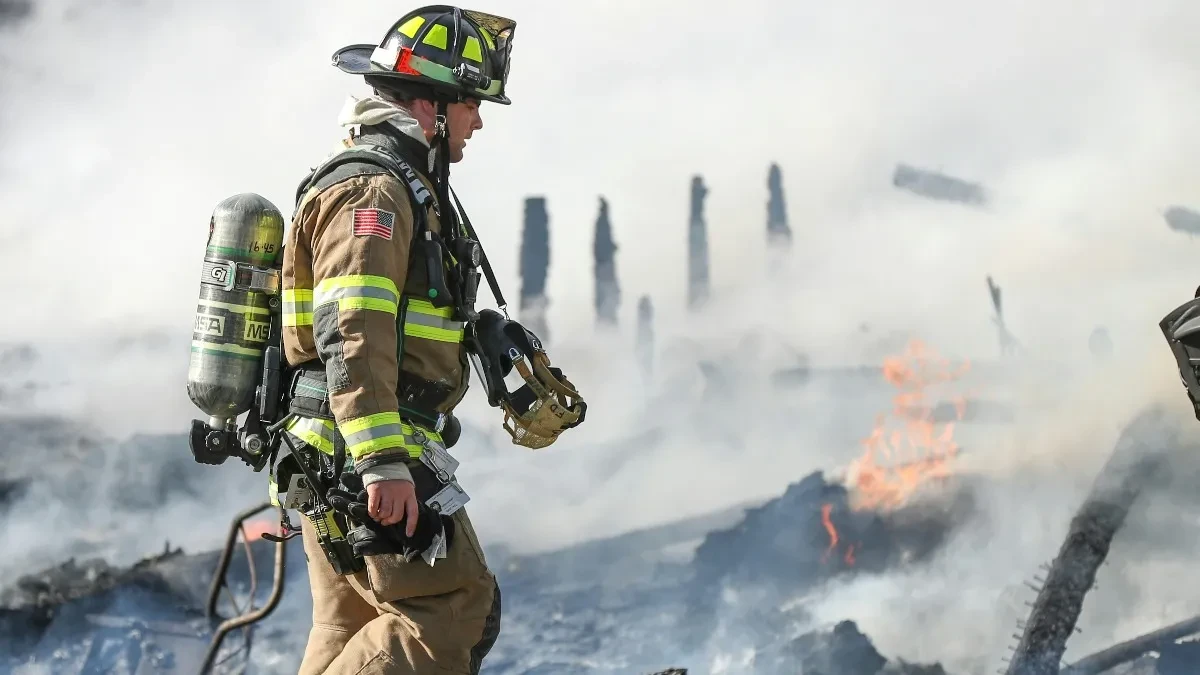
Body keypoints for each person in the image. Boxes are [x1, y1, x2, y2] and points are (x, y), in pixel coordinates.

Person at [276, 6, 515, 673]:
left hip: (333, 448)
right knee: (455, 607)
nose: (479, 121)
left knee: (351, 623)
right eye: (472, 103)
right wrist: (381, 459)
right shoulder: (374, 190)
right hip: (364, 450)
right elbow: (353, 326)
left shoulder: (400, 181)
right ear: (430, 104)